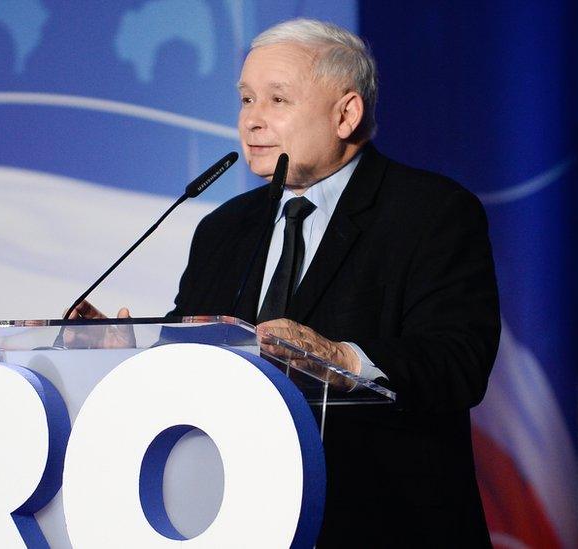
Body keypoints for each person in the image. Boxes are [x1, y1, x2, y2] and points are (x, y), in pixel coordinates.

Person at [71, 18, 500, 547]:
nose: (251, 122)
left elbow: (458, 365)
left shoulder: (431, 212)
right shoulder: (222, 228)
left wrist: (342, 361)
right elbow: (200, 370)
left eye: (277, 100)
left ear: (346, 113)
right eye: (247, 100)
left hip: (383, 523)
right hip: (236, 520)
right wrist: (127, 360)